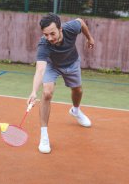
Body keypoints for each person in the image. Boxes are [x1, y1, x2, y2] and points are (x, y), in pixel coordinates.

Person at [27, 13, 95, 154]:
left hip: (71, 62)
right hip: (52, 66)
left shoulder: (70, 28)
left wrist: (89, 38)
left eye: (52, 33)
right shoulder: (44, 44)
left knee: (78, 91)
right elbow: (40, 69)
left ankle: (75, 111)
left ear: (60, 29)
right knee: (46, 93)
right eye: (46, 35)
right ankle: (44, 136)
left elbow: (81, 22)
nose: (49, 38)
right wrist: (34, 91)